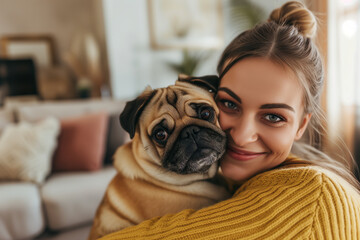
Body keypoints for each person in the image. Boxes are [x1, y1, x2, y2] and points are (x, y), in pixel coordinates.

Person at [100, 1, 360, 239]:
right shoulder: (235, 181)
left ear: (301, 126)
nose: (242, 135)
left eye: (273, 116)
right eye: (229, 104)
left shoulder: (311, 199)